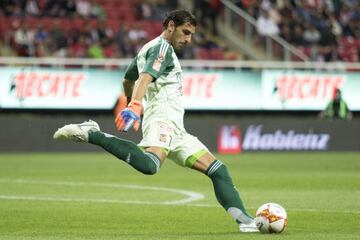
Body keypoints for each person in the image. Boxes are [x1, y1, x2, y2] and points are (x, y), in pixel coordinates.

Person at [53, 9, 258, 233]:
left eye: (191, 35)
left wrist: (133, 101)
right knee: (150, 165)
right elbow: (144, 77)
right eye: (185, 32)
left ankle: (246, 222)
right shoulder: (162, 48)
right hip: (162, 120)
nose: (188, 40)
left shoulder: (147, 49)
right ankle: (93, 133)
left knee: (219, 170)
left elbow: (128, 79)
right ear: (170, 26)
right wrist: (135, 106)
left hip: (177, 130)